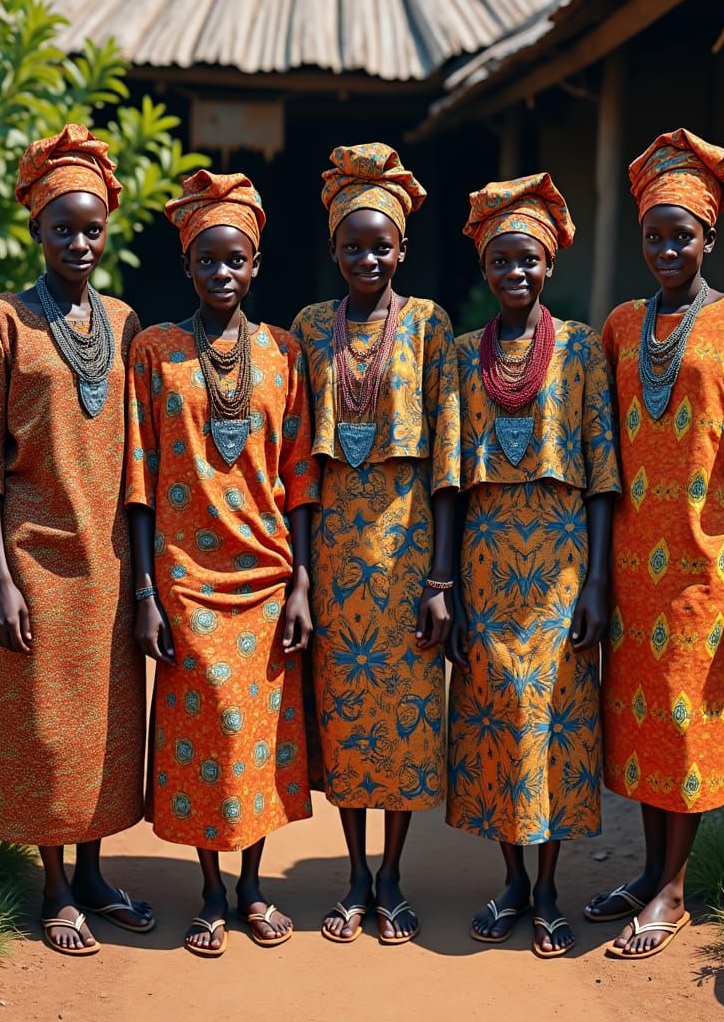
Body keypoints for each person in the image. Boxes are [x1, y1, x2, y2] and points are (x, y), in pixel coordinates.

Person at [586, 129, 724, 959]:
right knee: (639, 723)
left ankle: (673, 892)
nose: (667, 249)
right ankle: (649, 872)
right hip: (631, 562)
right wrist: (596, 572)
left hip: (706, 563)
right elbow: (602, 450)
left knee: (684, 724)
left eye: (682, 235)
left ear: (709, 237)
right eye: (654, 235)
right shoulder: (621, 325)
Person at [0, 124, 154, 957]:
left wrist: (145, 583)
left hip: (111, 565)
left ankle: (97, 874)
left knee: (105, 730)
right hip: (35, 561)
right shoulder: (3, 321)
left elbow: (140, 459)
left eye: (92, 229)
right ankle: (55, 887)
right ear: (36, 228)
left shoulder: (126, 321)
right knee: (43, 732)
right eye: (62, 228)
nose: (79, 243)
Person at [126, 170, 319, 958]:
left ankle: (252, 886)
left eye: (235, 259)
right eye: (207, 260)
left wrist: (302, 582)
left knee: (257, 738)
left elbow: (300, 474)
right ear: (187, 265)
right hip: (186, 578)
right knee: (210, 732)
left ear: (256, 264)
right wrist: (145, 589)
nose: (222, 272)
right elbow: (139, 477)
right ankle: (210, 891)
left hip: (268, 577)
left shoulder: (284, 352)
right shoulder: (155, 352)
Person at [446, 174, 620, 958]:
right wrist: (448, 586)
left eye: (528, 260)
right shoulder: (462, 356)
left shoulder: (581, 348)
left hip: (562, 562)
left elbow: (604, 473)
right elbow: (450, 477)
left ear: (549, 264)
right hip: (486, 560)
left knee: (553, 722)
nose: (514, 272)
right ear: (485, 267)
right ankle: (511, 880)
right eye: (501, 261)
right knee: (496, 719)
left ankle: (548, 889)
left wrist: (597, 583)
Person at [290, 142, 460, 946]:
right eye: (353, 246)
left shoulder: (429, 324)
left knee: (404, 718)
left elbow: (449, 454)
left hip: (407, 546)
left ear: (403, 248)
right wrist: (298, 572)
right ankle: (355, 872)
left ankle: (392, 873)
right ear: (334, 250)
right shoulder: (308, 327)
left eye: (381, 245)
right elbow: (297, 454)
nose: (368, 258)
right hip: (333, 553)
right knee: (346, 717)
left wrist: (441, 578)